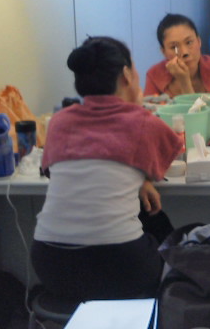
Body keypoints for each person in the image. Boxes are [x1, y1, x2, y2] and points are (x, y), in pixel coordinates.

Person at [31, 36, 183, 302]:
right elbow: (164, 160)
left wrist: (139, 181)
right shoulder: (143, 122)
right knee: (162, 227)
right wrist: (136, 107)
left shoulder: (58, 122)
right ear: (126, 74)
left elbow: (67, 170)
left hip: (51, 265)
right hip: (121, 265)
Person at [144, 13, 210, 97]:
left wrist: (184, 82)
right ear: (163, 52)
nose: (185, 52)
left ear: (199, 41)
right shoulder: (155, 75)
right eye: (174, 47)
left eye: (189, 42)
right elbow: (148, 110)